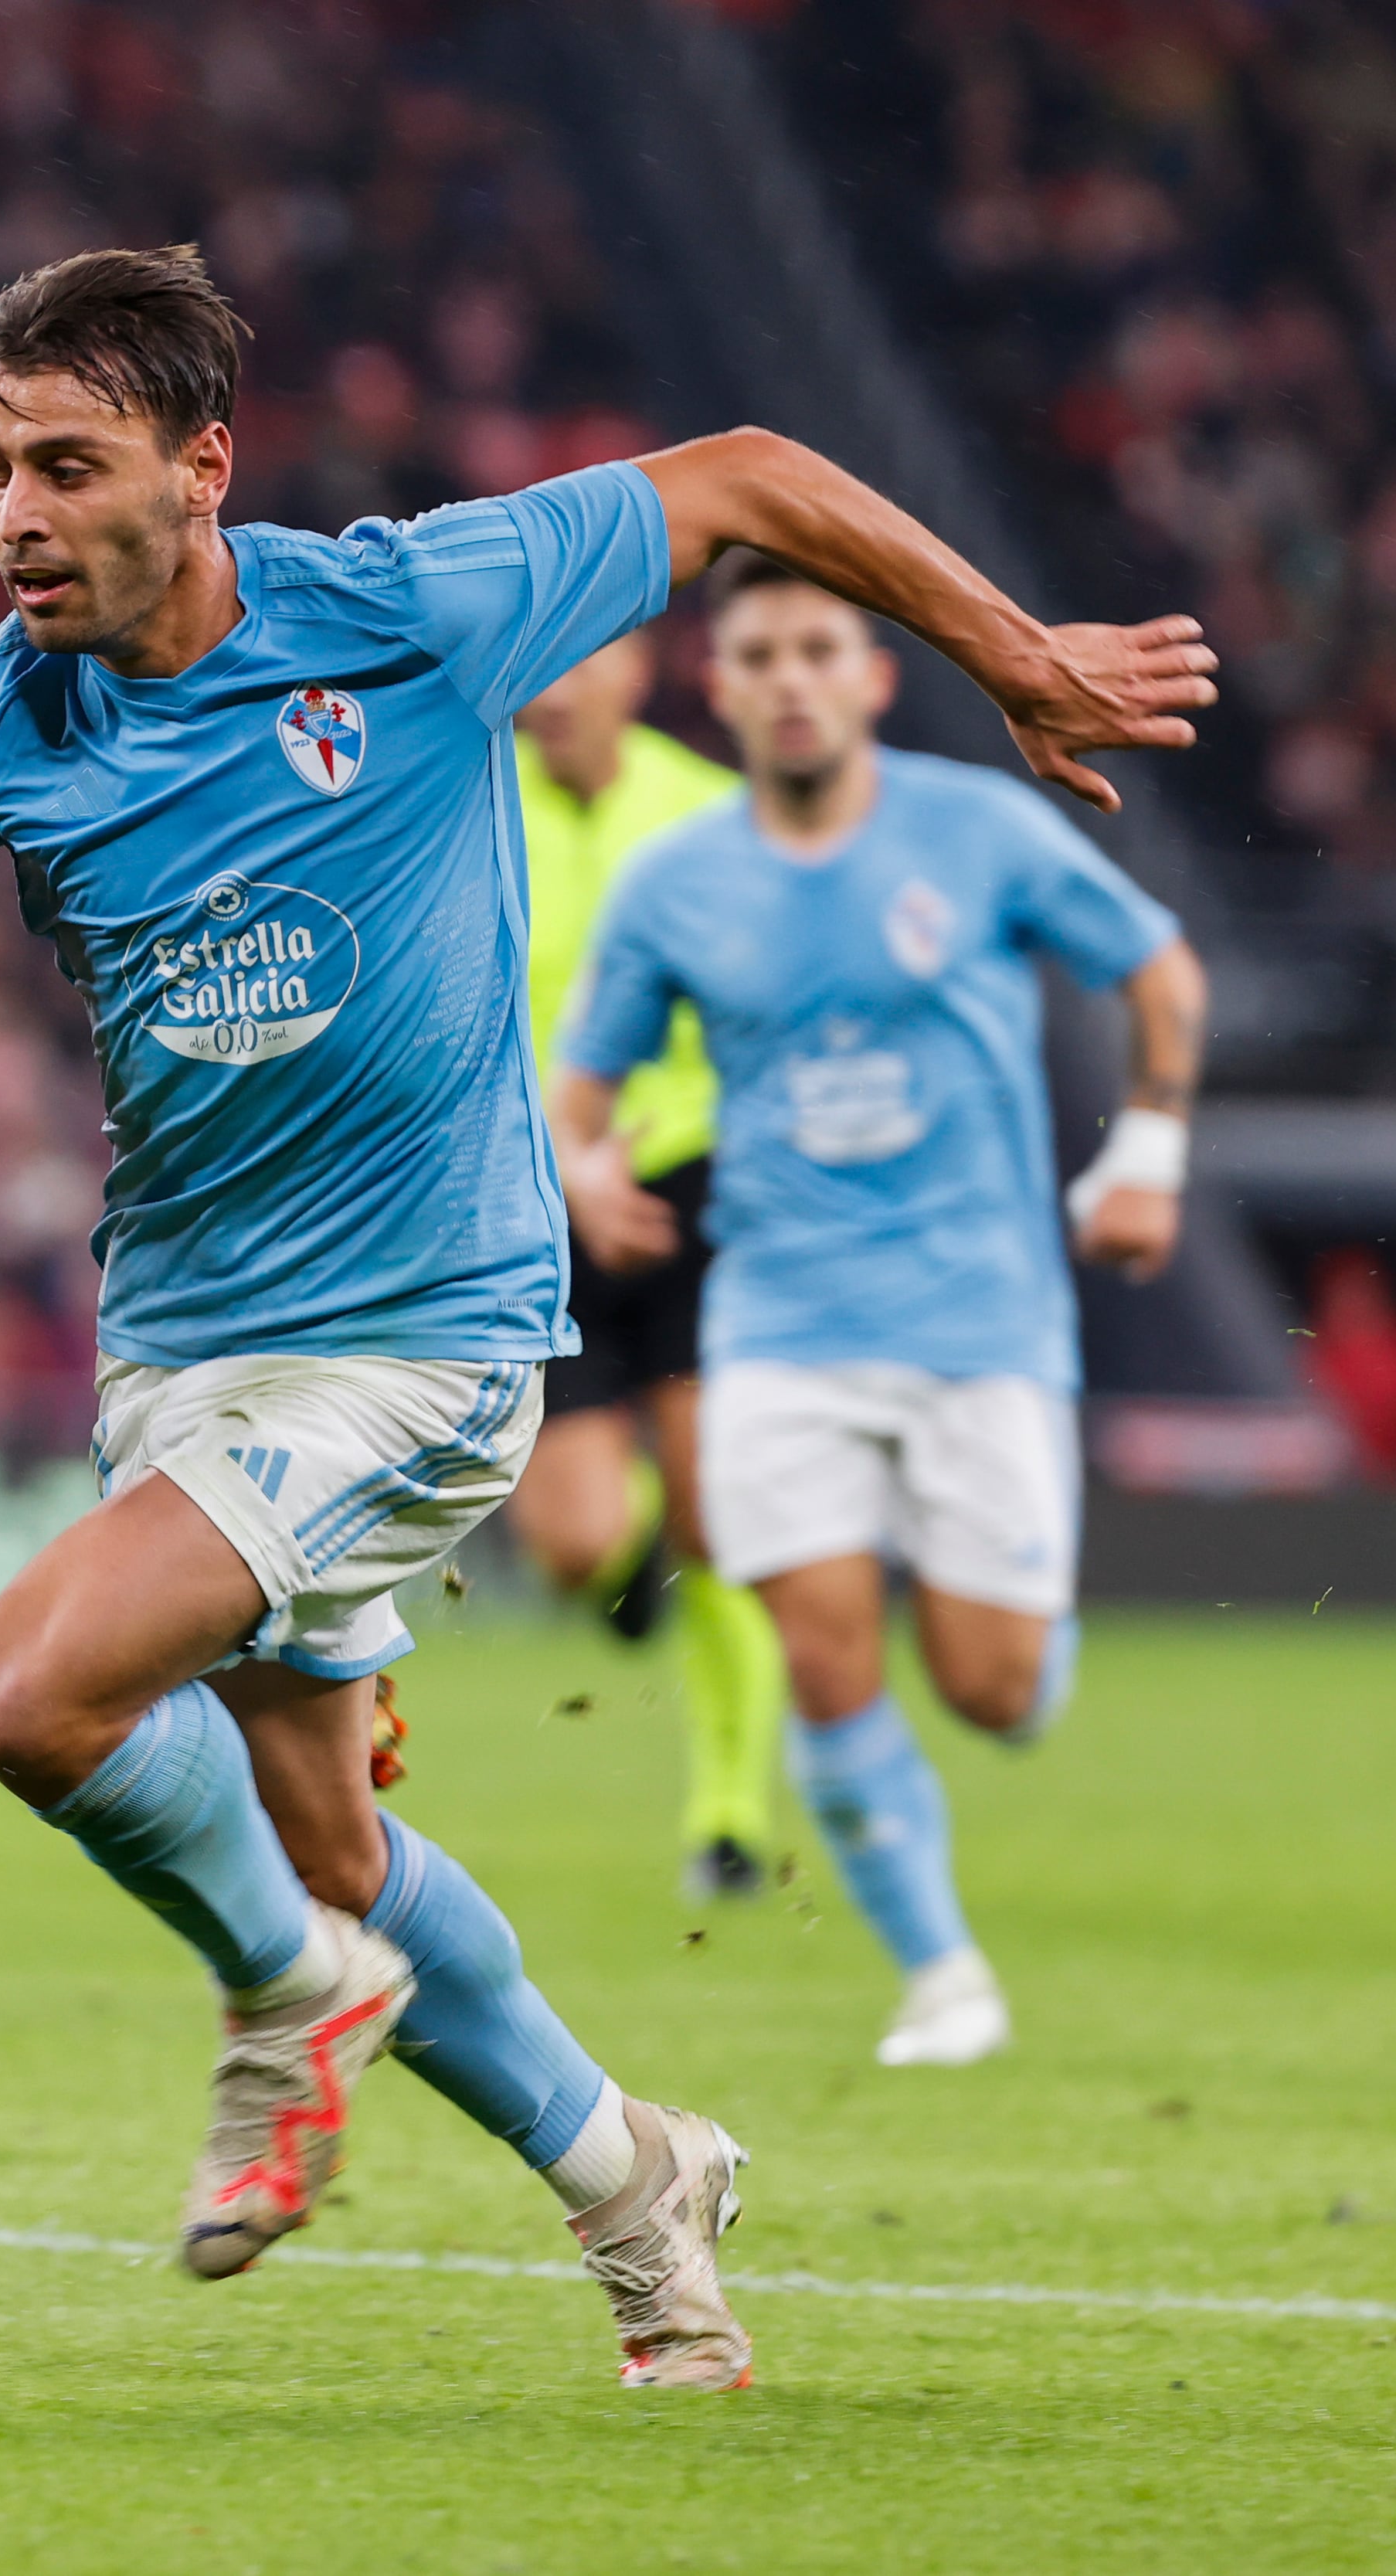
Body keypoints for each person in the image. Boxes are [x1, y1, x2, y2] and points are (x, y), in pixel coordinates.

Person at [0, 244, 1214, 2391]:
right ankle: (639, 2187)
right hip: (197, 1343)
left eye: (68, 463)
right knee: (333, 1838)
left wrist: (1011, 654)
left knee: (35, 1685)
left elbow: (755, 477)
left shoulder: (411, 606)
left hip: (425, 1330)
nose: (19, 514)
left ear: (204, 466)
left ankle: (279, 2002)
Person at [552, 549, 1211, 2070]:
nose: (788, 678)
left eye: (814, 651)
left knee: (994, 1692)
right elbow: (584, 1084)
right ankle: (939, 1970)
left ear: (872, 676)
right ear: (718, 688)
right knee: (826, 1645)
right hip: (776, 1320)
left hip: (982, 1318)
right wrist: (586, 1172)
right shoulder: (679, 882)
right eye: (760, 654)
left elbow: (1160, 971)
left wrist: (1151, 1151)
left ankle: (1012, 1624)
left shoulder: (972, 832)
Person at [505, 632, 793, 1899]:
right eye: (540, 663)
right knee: (571, 1538)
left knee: (716, 1505)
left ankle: (729, 1813)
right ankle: (630, 1588)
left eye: (586, 661)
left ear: (638, 671)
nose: (558, 689)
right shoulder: (463, 802)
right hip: (522, 1192)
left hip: (690, 1177)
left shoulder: (711, 814)